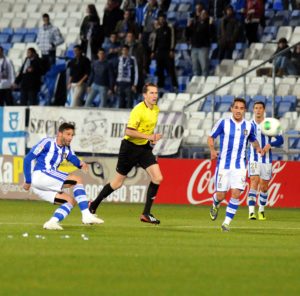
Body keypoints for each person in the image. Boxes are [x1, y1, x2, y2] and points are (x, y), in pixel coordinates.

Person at [89, 83, 163, 224]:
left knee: (158, 178)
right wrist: (149, 137)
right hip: (129, 148)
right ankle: (93, 206)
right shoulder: (138, 110)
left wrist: (151, 141)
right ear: (144, 95)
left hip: (143, 149)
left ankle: (146, 214)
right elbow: (128, 131)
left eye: (156, 93)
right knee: (117, 183)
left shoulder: (156, 110)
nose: (155, 96)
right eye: (152, 93)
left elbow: (147, 131)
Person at [23, 122, 104, 230]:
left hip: (42, 186)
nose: (70, 138)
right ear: (60, 134)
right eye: (68, 134)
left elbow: (73, 158)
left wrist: (81, 164)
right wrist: (28, 180)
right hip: (42, 174)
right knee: (77, 179)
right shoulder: (47, 143)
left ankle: (52, 222)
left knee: (70, 201)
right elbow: (27, 159)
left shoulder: (67, 149)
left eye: (72, 135)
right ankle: (86, 215)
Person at [208, 98, 263, 232]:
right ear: (231, 109)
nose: (238, 110)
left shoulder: (249, 126)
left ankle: (226, 224)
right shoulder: (223, 123)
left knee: (236, 193)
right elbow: (211, 137)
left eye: (241, 108)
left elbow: (253, 139)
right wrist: (212, 150)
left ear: (244, 110)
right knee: (221, 195)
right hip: (223, 165)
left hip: (239, 166)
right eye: (236, 108)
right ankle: (215, 202)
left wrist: (258, 148)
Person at [247, 101, 284, 220]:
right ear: (253, 110)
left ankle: (261, 210)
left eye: (260, 108)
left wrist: (270, 145)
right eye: (256, 108)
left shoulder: (269, 124)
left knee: (264, 187)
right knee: (254, 180)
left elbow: (280, 140)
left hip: (266, 159)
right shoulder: (249, 125)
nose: (258, 110)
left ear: (264, 110)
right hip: (253, 157)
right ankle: (251, 212)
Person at [113, 44, 138, 108]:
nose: (125, 51)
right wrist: (115, 84)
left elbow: (136, 72)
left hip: (129, 84)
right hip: (120, 83)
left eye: (126, 50)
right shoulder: (118, 59)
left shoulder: (132, 59)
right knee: (121, 102)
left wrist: (134, 84)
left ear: (128, 51)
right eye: (123, 50)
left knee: (130, 102)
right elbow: (115, 72)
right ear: (121, 51)